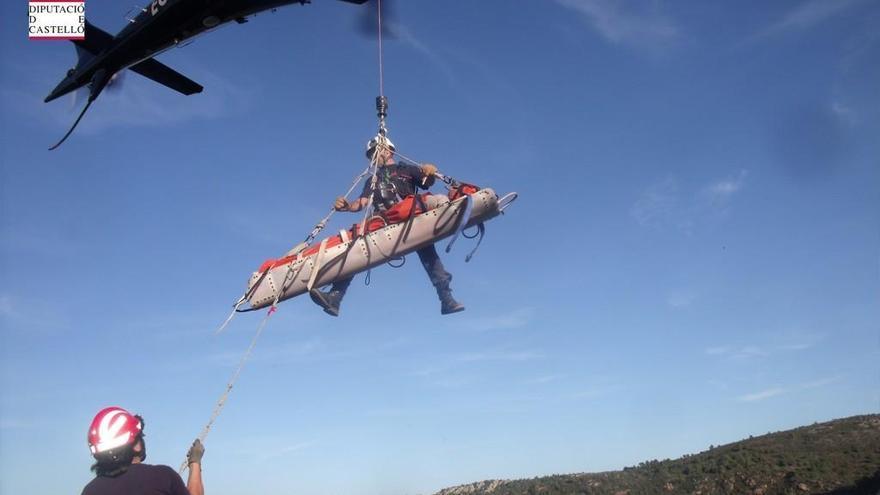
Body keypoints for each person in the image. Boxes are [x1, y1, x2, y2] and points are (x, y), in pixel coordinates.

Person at [309, 135, 465, 317]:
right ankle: (335, 297)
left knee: (429, 255)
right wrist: (348, 207)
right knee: (356, 249)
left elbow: (426, 181)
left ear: (389, 150)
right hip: (384, 221)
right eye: (371, 154)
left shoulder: (406, 170)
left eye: (376, 151)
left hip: (409, 217)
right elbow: (363, 202)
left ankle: (446, 298)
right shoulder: (372, 180)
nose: (374, 156)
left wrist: (429, 173)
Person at [81, 406, 205, 495]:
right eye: (140, 436)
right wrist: (195, 462)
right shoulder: (163, 477)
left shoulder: (89, 491)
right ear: (136, 445)